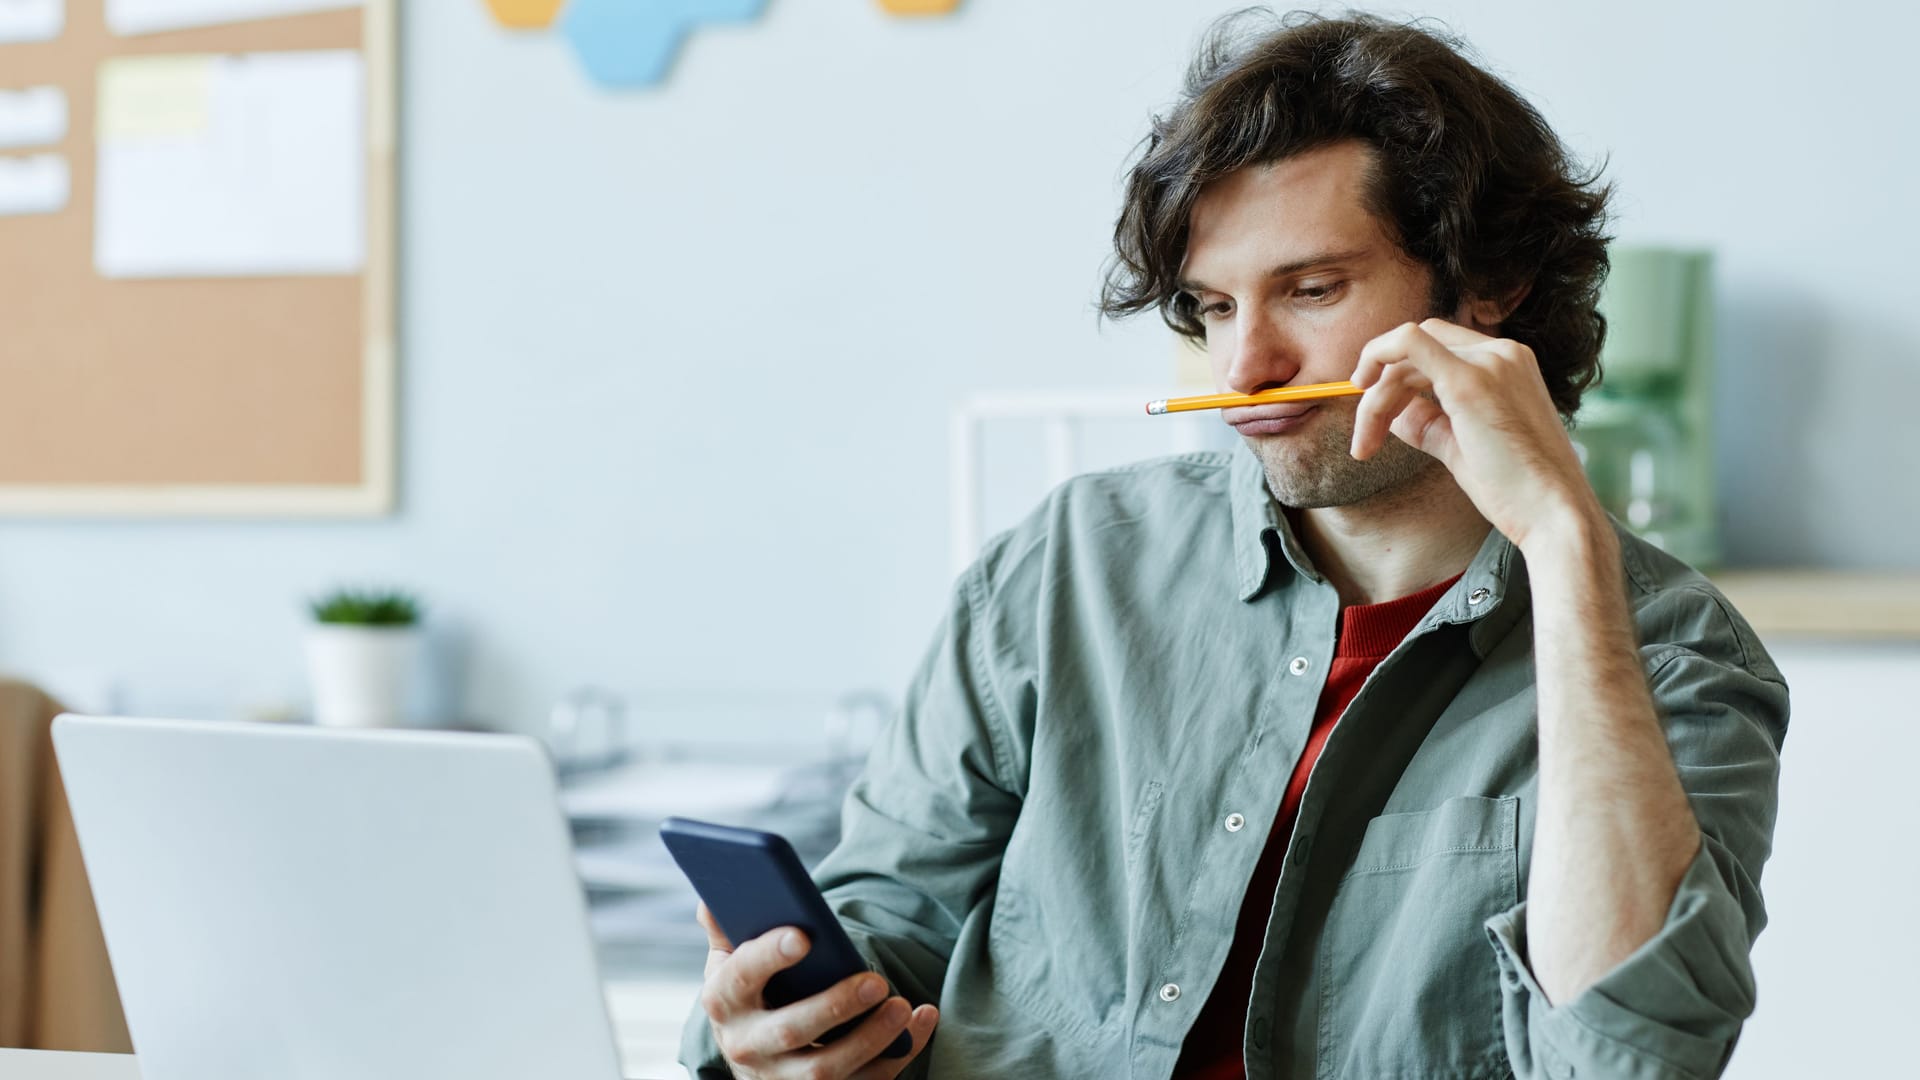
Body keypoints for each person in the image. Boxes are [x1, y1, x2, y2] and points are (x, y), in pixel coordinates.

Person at [680, 10, 1788, 1079]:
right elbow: (893, 917)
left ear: (1492, 287)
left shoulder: (1676, 653)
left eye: (1311, 290)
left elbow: (1628, 1058)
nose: (1243, 369)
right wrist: (785, 1028)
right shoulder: (1073, 560)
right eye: (1212, 307)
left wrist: (1561, 537)